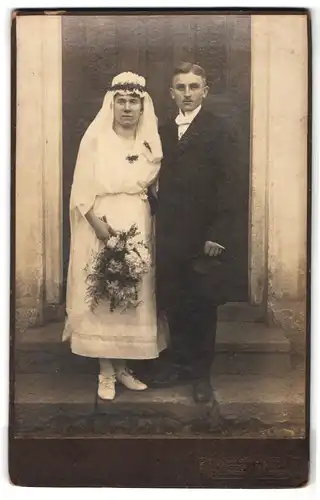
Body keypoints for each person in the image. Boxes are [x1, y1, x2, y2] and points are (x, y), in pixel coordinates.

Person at [63, 72, 167, 401]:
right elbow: (81, 189)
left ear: (142, 106)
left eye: (133, 101)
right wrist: (97, 225)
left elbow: (156, 190)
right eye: (120, 101)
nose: (126, 108)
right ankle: (105, 371)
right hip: (102, 222)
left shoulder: (150, 143)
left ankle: (123, 368)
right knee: (104, 289)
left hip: (137, 222)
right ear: (111, 104)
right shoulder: (95, 140)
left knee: (132, 288)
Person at [150, 62, 235, 404]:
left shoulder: (218, 130)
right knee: (174, 299)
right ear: (171, 93)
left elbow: (230, 185)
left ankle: (201, 374)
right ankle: (180, 365)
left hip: (203, 236)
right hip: (171, 233)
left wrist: (217, 233)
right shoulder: (162, 131)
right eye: (180, 87)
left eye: (193, 87)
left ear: (205, 91)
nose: (187, 94)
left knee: (201, 303)